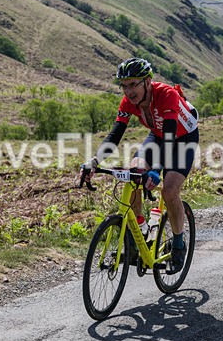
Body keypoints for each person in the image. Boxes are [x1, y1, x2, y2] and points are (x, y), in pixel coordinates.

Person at [80, 58, 199, 274]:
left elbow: (170, 137)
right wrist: (94, 161)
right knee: (134, 172)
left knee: (169, 191)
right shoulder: (128, 102)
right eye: (124, 86)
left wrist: (157, 168)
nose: (128, 91)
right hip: (159, 135)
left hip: (183, 138)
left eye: (133, 84)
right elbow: (115, 135)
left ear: (147, 82)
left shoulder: (166, 94)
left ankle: (178, 244)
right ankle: (141, 231)